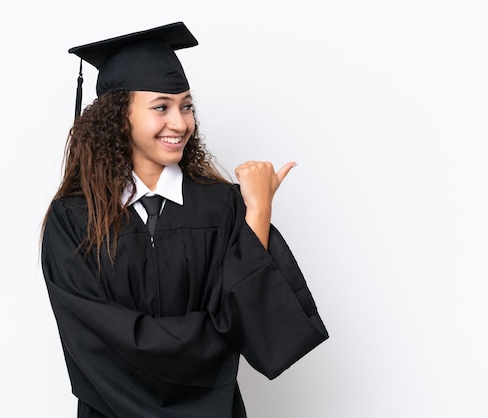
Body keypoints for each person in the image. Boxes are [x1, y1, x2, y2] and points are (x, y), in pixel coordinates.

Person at [41, 21, 328, 418]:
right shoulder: (74, 218)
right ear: (118, 115)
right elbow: (93, 340)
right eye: (162, 107)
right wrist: (212, 333)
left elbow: (250, 321)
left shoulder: (223, 207)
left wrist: (258, 212)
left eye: (186, 106)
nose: (180, 123)